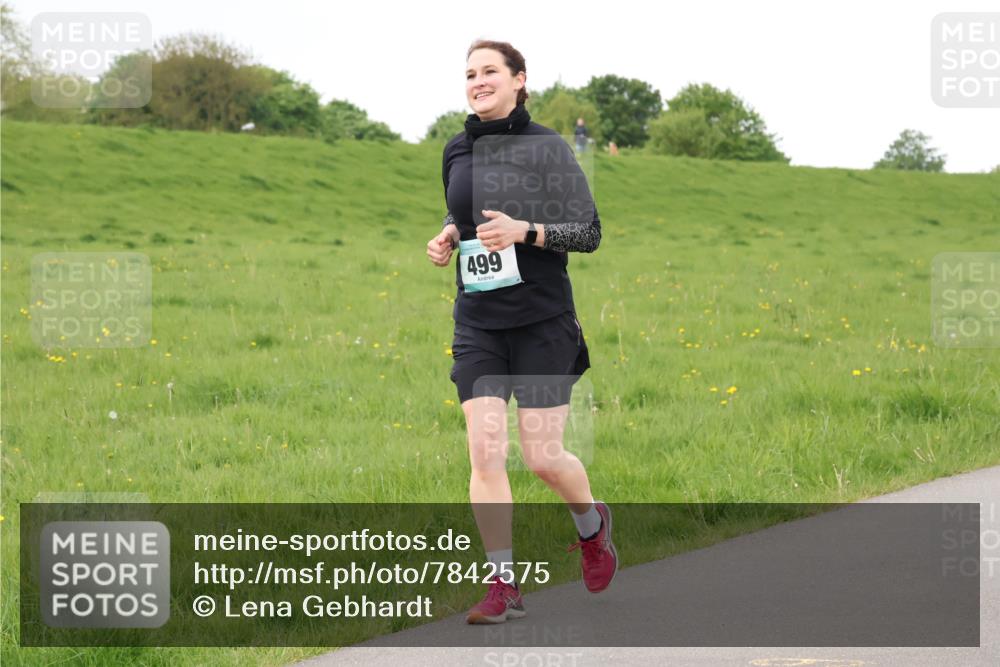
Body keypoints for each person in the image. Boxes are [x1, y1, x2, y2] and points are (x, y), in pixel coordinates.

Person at [425, 39, 617, 625]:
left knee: (542, 457)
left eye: (490, 71)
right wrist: (449, 235)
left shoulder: (546, 147)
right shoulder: (456, 148)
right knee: (485, 449)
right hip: (479, 321)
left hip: (541, 320)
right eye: (470, 74)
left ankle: (592, 526)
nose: (477, 81)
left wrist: (524, 231)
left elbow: (588, 231)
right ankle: (502, 584)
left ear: (519, 79)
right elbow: (462, 213)